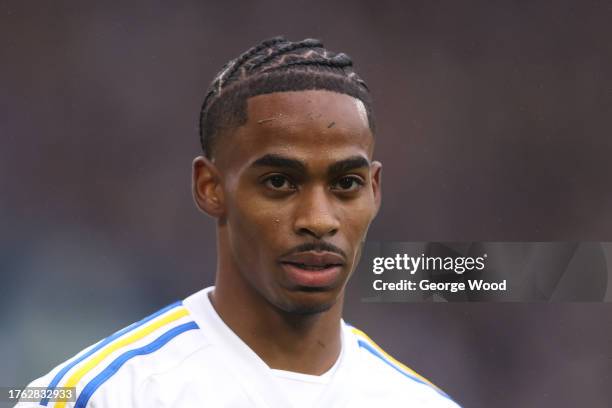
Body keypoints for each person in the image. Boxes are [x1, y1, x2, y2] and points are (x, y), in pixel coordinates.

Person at [17, 36, 460, 408]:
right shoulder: (99, 395)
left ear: (375, 190)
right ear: (210, 187)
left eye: (346, 183)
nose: (319, 220)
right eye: (280, 182)